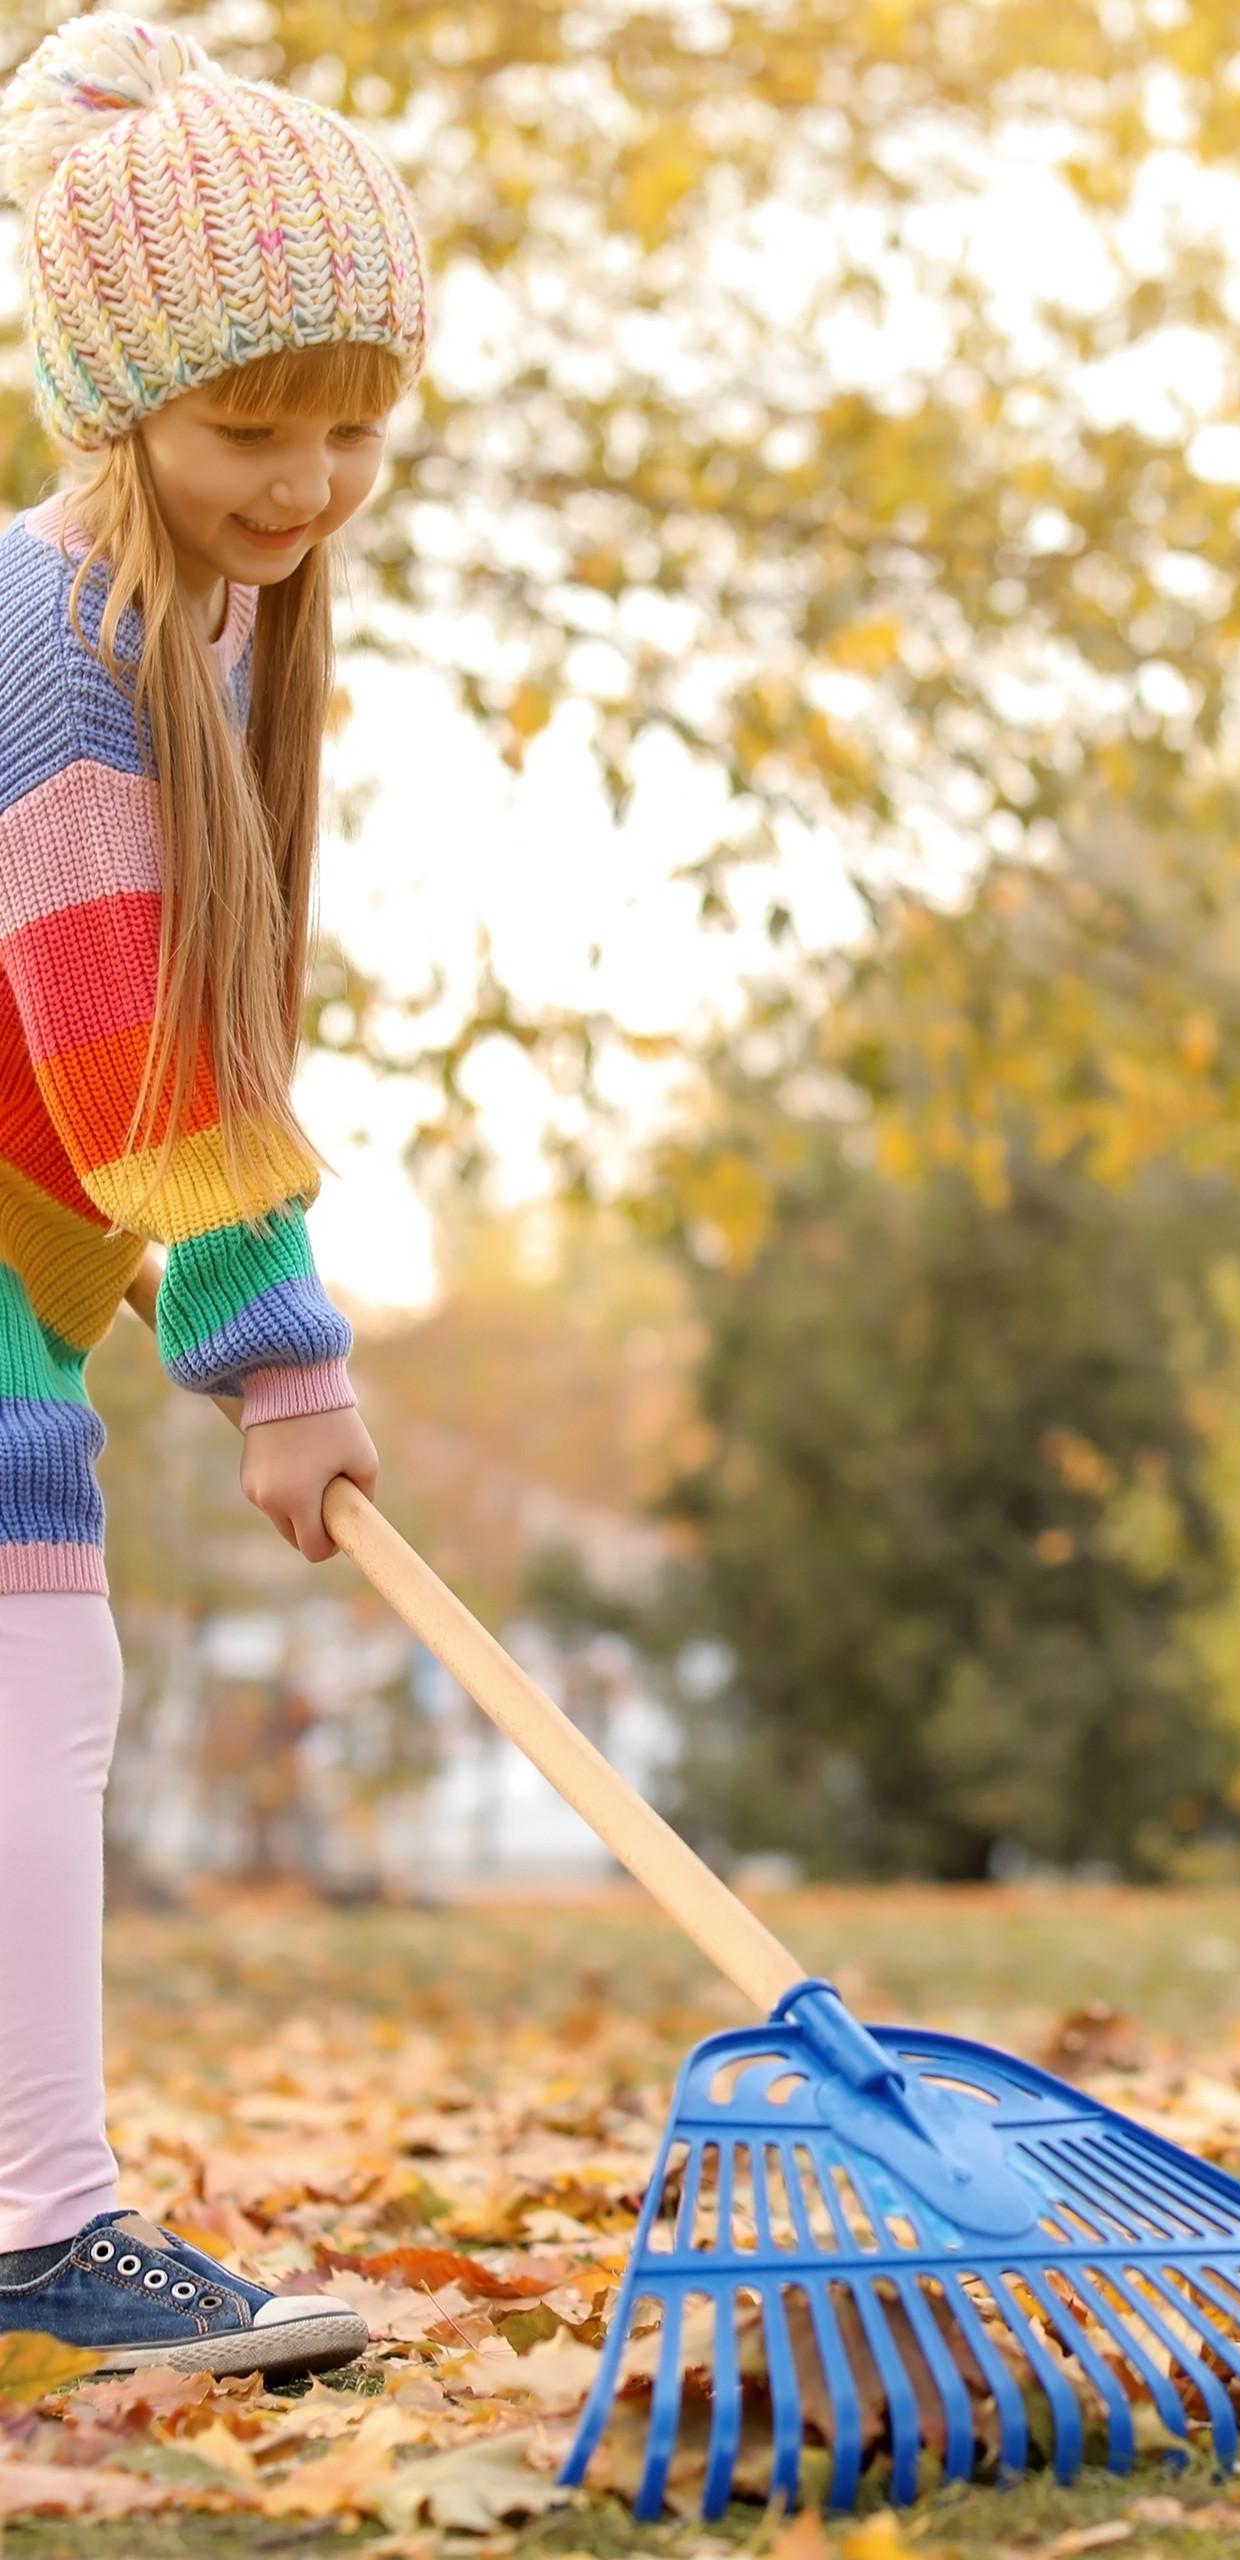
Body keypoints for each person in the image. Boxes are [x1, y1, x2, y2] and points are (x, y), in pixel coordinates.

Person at [0, 7, 428, 2377]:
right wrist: (275, 1348)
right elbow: (146, 1044)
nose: (309, 477)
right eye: (249, 427)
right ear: (113, 406)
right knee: (36, 1673)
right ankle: (43, 2237)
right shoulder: (61, 663)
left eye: (352, 421)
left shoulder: (223, 622)